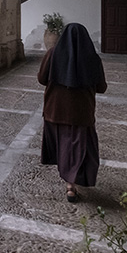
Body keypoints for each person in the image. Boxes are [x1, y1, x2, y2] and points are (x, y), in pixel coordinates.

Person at [37, 22, 107, 202]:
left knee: (64, 146)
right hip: (81, 114)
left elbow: (42, 79)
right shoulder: (93, 58)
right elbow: (101, 87)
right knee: (77, 148)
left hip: (56, 111)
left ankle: (70, 183)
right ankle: (71, 184)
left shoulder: (53, 54)